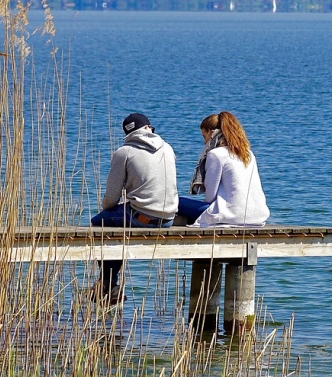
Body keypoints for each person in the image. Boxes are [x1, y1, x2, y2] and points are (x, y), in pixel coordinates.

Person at [91, 112, 178, 303]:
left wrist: (107, 207)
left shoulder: (124, 152)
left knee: (99, 222)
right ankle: (109, 285)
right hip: (169, 218)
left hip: (142, 217)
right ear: (149, 129)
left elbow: (111, 199)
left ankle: (108, 284)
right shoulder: (168, 148)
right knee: (116, 223)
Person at [177, 111, 270, 227]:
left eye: (204, 136)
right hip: (257, 216)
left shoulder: (216, 154)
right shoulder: (248, 154)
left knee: (176, 201)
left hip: (231, 216)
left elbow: (211, 196)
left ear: (211, 133)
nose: (204, 142)